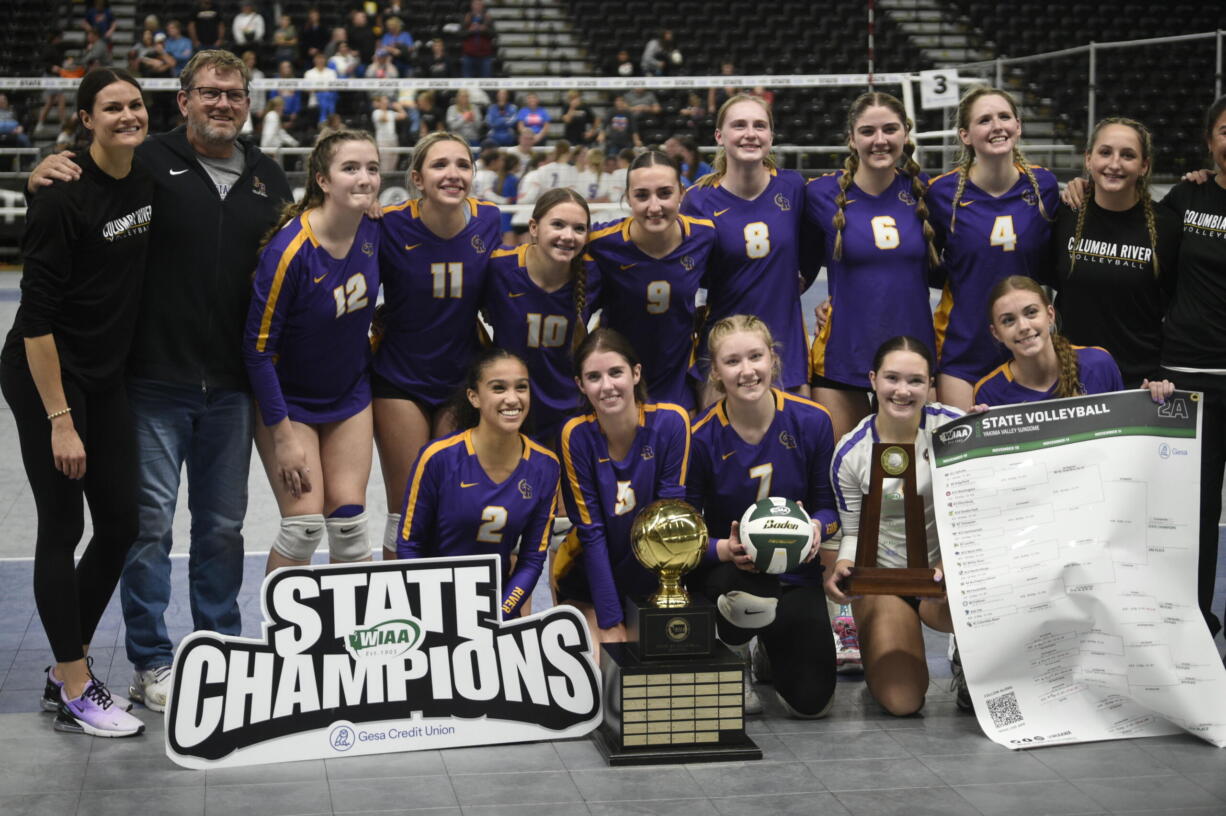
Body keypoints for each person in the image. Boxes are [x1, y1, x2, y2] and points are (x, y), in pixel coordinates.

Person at [27, 50, 292, 714]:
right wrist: (45, 171)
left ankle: (220, 651)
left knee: (223, 528)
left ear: (248, 102)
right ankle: (154, 660)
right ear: (184, 100)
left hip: (231, 388)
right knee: (147, 530)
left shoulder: (267, 178)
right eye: (210, 93)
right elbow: (91, 172)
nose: (223, 104)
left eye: (234, 95)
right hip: (150, 381)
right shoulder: (149, 158)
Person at [1, 68, 151, 738]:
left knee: (120, 523)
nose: (127, 115)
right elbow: (35, 323)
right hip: (47, 379)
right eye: (112, 107)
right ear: (84, 119)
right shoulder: (62, 198)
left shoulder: (149, 175)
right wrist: (60, 421)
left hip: (104, 376)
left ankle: (69, 669)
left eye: (136, 104)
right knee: (62, 528)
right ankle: (75, 685)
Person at [688, 315, 840, 717]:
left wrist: (815, 529)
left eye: (755, 356)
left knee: (812, 703)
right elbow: (686, 527)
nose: (747, 370)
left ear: (772, 359)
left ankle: (770, 652)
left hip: (794, 575)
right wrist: (724, 549)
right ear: (716, 372)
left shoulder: (812, 421)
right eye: (732, 361)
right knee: (742, 598)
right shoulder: (699, 437)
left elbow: (829, 508)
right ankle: (733, 653)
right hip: (732, 575)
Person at [244, 130, 381, 573]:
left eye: (372, 169)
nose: (365, 178)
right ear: (322, 180)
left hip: (349, 393)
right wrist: (282, 436)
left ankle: (356, 638)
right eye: (351, 169)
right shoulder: (289, 251)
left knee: (349, 526)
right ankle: (284, 639)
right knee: (302, 527)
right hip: (290, 403)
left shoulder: (376, 228)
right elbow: (258, 352)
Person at [375, 132, 503, 560]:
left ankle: (451, 616)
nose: (453, 174)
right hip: (400, 379)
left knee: (455, 507)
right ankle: (398, 609)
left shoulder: (489, 219)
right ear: (417, 177)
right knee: (406, 509)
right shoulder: (389, 223)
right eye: (440, 165)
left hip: (459, 380)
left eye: (463, 165)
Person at [824, 336, 961, 715]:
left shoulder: (955, 430)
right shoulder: (851, 453)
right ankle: (881, 638)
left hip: (949, 572)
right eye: (892, 379)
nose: (903, 391)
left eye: (915, 381)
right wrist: (842, 568)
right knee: (902, 702)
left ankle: (968, 657)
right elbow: (851, 531)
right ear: (873, 379)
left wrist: (950, 566)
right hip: (888, 579)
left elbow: (982, 511)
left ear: (931, 384)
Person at [806, 92, 939, 442]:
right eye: (867, 131)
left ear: (905, 134)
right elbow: (791, 266)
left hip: (913, 358)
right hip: (842, 356)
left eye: (890, 129)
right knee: (842, 480)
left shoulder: (926, 192)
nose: (879, 140)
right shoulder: (819, 193)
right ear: (852, 138)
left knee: (914, 481)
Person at [555, 328, 691, 649]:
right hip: (591, 576)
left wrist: (647, 608)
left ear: (635, 373)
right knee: (604, 663)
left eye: (616, 372)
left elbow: (668, 526)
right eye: (593, 377)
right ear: (580, 385)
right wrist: (611, 619)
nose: (607, 386)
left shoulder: (671, 423)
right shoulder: (575, 435)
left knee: (649, 672)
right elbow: (592, 532)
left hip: (653, 574)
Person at [397, 348, 559, 618]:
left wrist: (500, 613)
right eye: (498, 388)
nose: (512, 399)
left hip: (500, 605)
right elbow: (409, 545)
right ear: (474, 397)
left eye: (521, 387)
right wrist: (432, 605)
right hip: (434, 605)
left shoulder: (546, 466)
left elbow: (531, 560)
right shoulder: (438, 458)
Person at [927, 87, 1059, 410]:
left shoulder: (1045, 188)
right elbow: (926, 269)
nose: (997, 126)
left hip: (1029, 349)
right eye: (984, 120)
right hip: (964, 352)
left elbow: (1054, 263)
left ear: (1018, 125)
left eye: (1004, 117)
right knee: (965, 456)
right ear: (965, 135)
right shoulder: (942, 194)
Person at [681, 94, 812, 403]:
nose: (750, 133)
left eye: (760, 125)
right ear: (719, 136)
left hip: (785, 351)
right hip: (722, 351)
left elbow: (813, 249)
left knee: (796, 446)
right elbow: (688, 274)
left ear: (771, 135)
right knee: (717, 447)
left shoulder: (794, 188)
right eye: (739, 125)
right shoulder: (697, 200)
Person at [1047, 118, 1180, 389]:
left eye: (1128, 155)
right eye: (1105, 152)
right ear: (1088, 159)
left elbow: (1178, 307)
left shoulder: (1167, 225)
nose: (1114, 164)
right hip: (1070, 378)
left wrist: (1161, 377)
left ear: (1144, 166)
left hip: (1142, 382)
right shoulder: (1065, 214)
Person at [587, 150, 717, 413]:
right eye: (642, 195)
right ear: (627, 198)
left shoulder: (704, 235)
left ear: (682, 193)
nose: (654, 206)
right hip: (617, 388)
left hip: (677, 385)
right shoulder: (600, 243)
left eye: (665, 193)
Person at [484, 189, 595, 447]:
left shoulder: (593, 273)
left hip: (569, 415)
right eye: (557, 224)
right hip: (509, 411)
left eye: (579, 228)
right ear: (533, 227)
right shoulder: (500, 268)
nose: (568, 236)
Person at [974, 276, 1126, 407]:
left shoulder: (1098, 363)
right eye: (1008, 320)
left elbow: (1128, 429)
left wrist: (1147, 401)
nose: (1023, 327)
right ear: (996, 333)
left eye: (1031, 312)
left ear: (1050, 315)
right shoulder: (988, 393)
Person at [461, 0, 496, 78]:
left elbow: (494, 34)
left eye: (479, 4)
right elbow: (460, 34)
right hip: (469, 56)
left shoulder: (488, 18)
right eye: (475, 4)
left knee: (486, 82)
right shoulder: (467, 18)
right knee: (468, 82)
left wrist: (484, 29)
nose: (477, 6)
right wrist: (470, 30)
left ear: (482, 5)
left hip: (485, 56)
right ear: (472, 5)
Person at [371, 94, 407, 170]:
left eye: (386, 100)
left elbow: (404, 116)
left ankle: (390, 180)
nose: (386, 101)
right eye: (384, 100)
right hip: (383, 141)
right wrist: (383, 107)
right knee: (384, 163)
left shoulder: (390, 113)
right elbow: (384, 119)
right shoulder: (376, 112)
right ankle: (384, 180)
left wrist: (399, 108)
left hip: (393, 139)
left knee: (394, 160)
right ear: (379, 102)